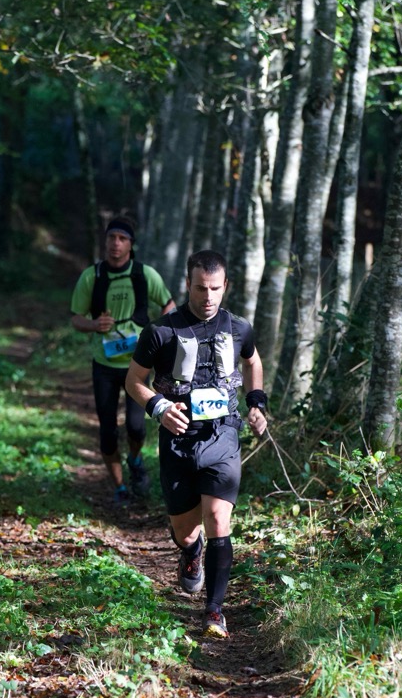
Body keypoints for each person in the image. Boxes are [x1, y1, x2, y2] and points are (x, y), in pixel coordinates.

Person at [125, 248, 268, 639]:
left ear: (226, 286)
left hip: (222, 435)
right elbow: (133, 380)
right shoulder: (160, 332)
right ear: (187, 284)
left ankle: (215, 611)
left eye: (215, 289)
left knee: (219, 519)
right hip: (177, 440)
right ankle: (191, 551)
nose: (208, 297)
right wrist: (159, 408)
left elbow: (253, 361)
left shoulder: (239, 328)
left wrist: (257, 403)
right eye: (201, 288)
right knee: (186, 531)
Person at [71, 217, 175, 503]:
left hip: (137, 365)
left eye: (122, 238)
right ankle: (119, 488)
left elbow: (169, 304)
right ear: (105, 241)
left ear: (131, 244)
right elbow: (76, 318)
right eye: (111, 237)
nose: (115, 244)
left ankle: (136, 459)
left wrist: (159, 334)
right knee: (107, 431)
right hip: (103, 364)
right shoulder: (91, 276)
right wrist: (94, 325)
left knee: (136, 427)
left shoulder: (145, 274)